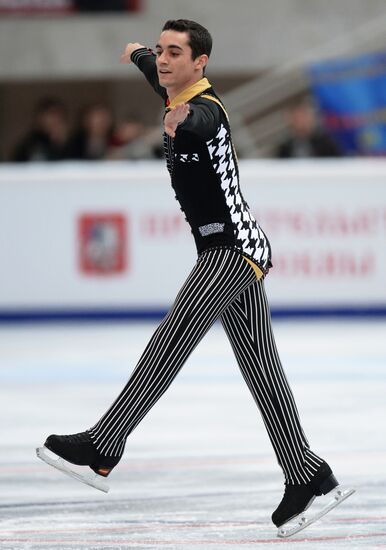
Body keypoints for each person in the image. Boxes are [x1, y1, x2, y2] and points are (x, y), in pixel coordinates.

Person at [39, 19, 351, 532]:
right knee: (261, 369)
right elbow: (150, 68)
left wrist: (181, 123)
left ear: (200, 62)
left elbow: (202, 123)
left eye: (174, 53)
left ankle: (105, 442)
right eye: (161, 51)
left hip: (231, 251)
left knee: (171, 340)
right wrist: (137, 50)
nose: (163, 60)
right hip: (235, 250)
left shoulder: (204, 111)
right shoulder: (168, 80)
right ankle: (306, 472)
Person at [275, 99, 342, 159]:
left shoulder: (325, 143)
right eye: (296, 118)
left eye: (302, 116)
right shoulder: (285, 149)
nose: (300, 121)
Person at [12, 98, 69, 162]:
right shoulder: (31, 144)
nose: (56, 119)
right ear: (40, 117)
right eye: (52, 114)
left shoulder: (68, 143)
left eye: (59, 116)